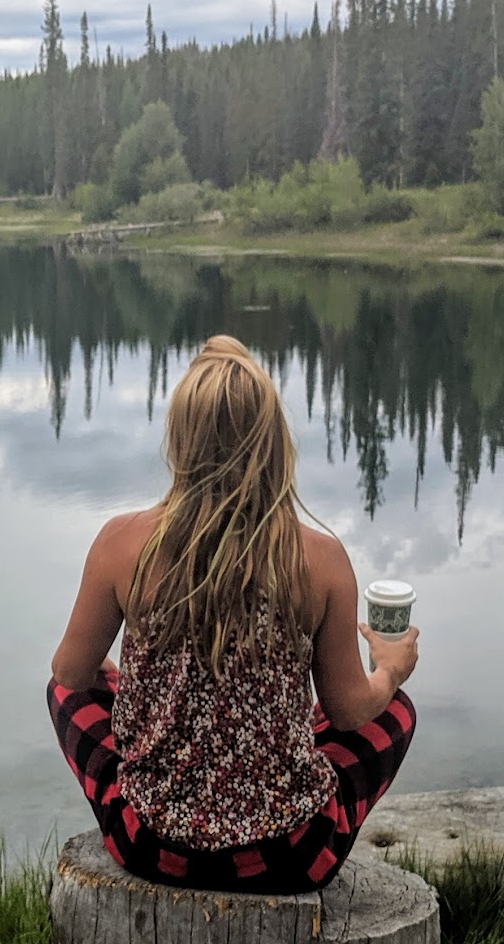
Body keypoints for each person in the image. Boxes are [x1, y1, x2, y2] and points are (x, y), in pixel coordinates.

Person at [48, 335, 417, 893]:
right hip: (292, 854)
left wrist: (128, 683)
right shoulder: (320, 558)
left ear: (179, 438)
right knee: (396, 712)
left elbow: (70, 674)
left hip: (149, 846)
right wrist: (389, 670)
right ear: (272, 441)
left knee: (65, 695)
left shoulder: (121, 542)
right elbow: (345, 713)